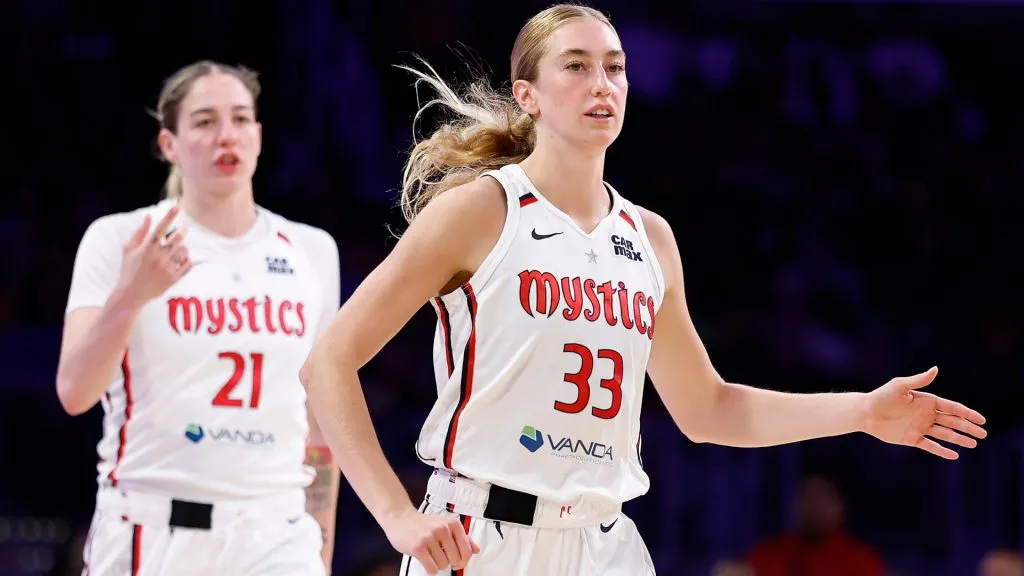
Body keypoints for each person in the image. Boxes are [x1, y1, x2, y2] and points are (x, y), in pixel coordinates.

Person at [299, 4, 987, 575]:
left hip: (607, 544)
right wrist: (395, 514)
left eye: (615, 67)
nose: (602, 83)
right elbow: (328, 363)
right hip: (484, 538)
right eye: (576, 66)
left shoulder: (650, 237)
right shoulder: (481, 211)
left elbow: (708, 408)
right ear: (527, 95)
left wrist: (861, 411)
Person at [57, 60, 341, 575]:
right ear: (169, 144)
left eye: (240, 118)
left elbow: (320, 421)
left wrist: (321, 546)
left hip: (278, 536)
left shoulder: (311, 250)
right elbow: (75, 392)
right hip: (154, 531)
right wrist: (130, 296)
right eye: (205, 121)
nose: (226, 135)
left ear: (258, 136)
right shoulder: (120, 238)